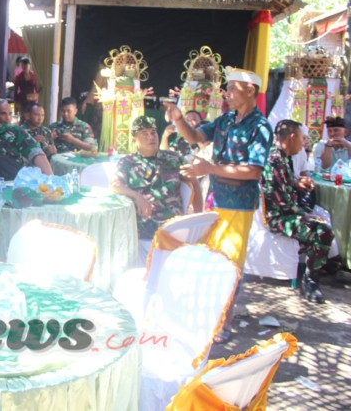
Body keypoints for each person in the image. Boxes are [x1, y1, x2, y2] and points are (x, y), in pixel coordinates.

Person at [165, 68, 273, 343]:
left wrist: (210, 168)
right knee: (210, 259)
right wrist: (179, 120)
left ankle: (224, 321)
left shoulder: (260, 127)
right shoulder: (225, 119)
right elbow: (196, 137)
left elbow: (253, 171)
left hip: (238, 204)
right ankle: (207, 314)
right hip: (216, 199)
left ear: (251, 91)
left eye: (233, 89)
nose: (228, 93)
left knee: (229, 264)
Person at [260, 119, 335, 303]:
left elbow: (284, 184)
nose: (303, 143)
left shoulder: (282, 157)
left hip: (287, 211)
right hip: (277, 217)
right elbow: (280, 201)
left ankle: (320, 264)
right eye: (302, 139)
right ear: (292, 138)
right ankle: (310, 282)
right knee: (323, 231)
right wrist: (304, 214)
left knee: (322, 219)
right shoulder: (275, 160)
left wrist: (296, 184)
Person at [112, 116, 202, 256]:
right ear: (134, 140)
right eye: (144, 134)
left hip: (173, 229)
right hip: (142, 230)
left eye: (153, 132)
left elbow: (195, 184)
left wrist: (198, 218)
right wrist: (137, 196)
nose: (151, 137)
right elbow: (115, 184)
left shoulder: (174, 158)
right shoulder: (127, 163)